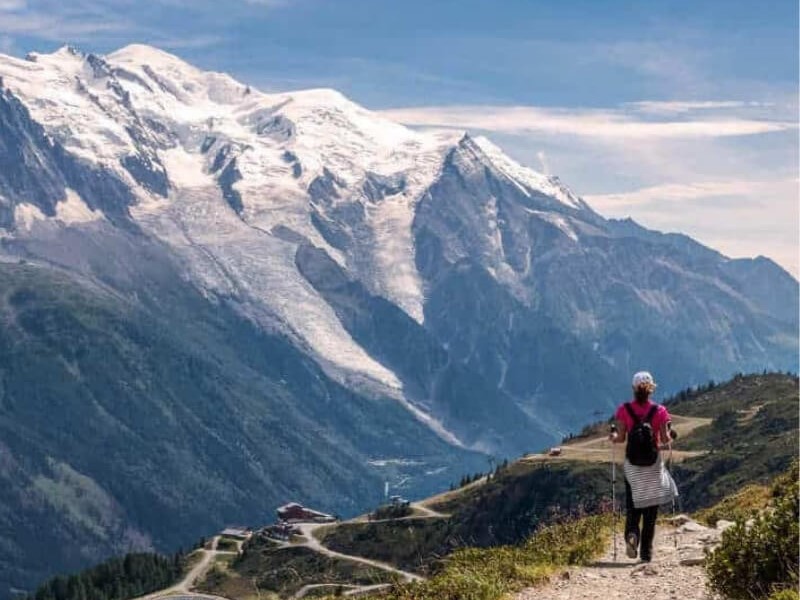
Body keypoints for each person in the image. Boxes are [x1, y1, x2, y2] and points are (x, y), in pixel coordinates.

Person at [609, 371, 676, 563]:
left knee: (633, 505)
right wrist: (671, 433)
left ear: (633, 388)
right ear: (651, 388)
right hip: (652, 464)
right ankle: (646, 553)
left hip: (632, 465)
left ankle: (632, 535)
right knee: (650, 510)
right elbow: (665, 439)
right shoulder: (660, 411)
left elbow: (620, 438)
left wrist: (612, 436)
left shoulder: (624, 410)